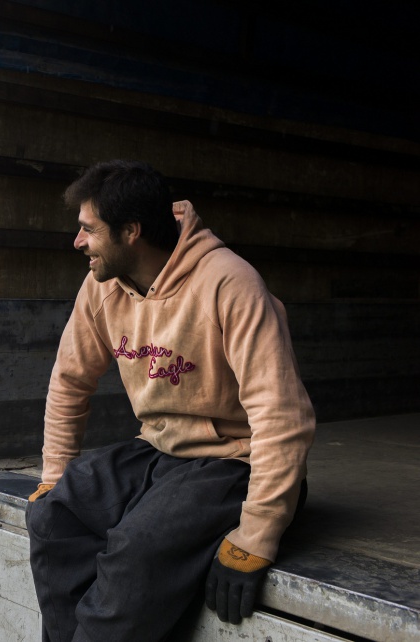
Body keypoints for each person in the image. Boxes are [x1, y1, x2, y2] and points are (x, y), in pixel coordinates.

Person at [25, 160, 315, 641]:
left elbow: (282, 417)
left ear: (131, 232)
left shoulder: (230, 283)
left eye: (88, 230)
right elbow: (69, 382)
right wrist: (54, 476)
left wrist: (257, 534)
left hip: (234, 461)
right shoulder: (102, 287)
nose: (77, 243)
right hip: (160, 451)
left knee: (134, 551)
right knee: (53, 515)